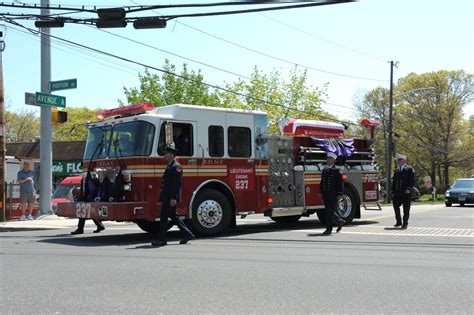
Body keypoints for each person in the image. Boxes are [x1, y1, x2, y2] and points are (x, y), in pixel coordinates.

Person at [151, 143, 195, 247]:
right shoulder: (170, 166)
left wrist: (173, 198)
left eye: (166, 153)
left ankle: (162, 240)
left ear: (171, 154)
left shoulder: (176, 167)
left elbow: (176, 184)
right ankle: (187, 234)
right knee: (174, 217)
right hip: (167, 197)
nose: (164, 155)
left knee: (164, 218)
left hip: (169, 197)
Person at [319, 152, 345, 235]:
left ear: (334, 160)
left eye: (330, 159)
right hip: (326, 194)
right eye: (327, 158)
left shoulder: (337, 170)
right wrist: (320, 191)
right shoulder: (325, 170)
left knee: (329, 212)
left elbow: (340, 183)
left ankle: (328, 229)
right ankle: (339, 221)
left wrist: (340, 194)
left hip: (333, 194)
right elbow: (322, 182)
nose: (328, 160)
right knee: (328, 211)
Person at [391, 154, 415, 229]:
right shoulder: (396, 170)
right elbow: (394, 181)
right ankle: (398, 221)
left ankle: (405, 223)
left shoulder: (409, 169)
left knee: (406, 208)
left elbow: (412, 180)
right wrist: (392, 191)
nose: (398, 161)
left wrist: (409, 188)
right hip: (397, 192)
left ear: (404, 161)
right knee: (396, 207)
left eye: (399, 160)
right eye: (398, 160)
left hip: (406, 192)